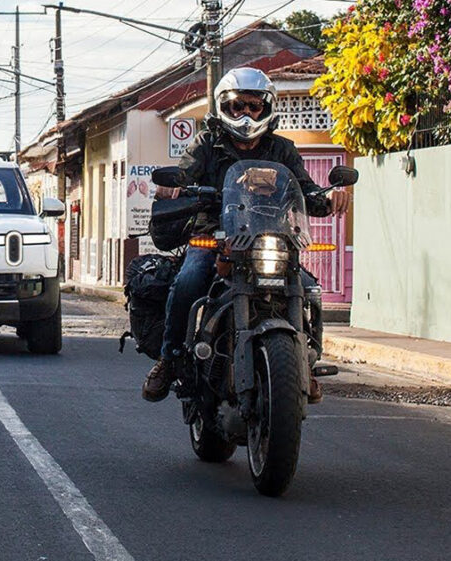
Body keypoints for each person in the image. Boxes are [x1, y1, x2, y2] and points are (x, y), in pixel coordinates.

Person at [142, 67, 352, 404]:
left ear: (266, 108)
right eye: (237, 106)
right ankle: (169, 360)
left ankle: (304, 364)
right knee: (189, 280)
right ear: (224, 107)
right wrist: (174, 187)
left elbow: (306, 188)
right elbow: (184, 174)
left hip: (270, 236)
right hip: (215, 237)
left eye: (254, 106)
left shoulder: (282, 149)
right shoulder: (206, 145)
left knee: (307, 287)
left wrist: (327, 198)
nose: (246, 114)